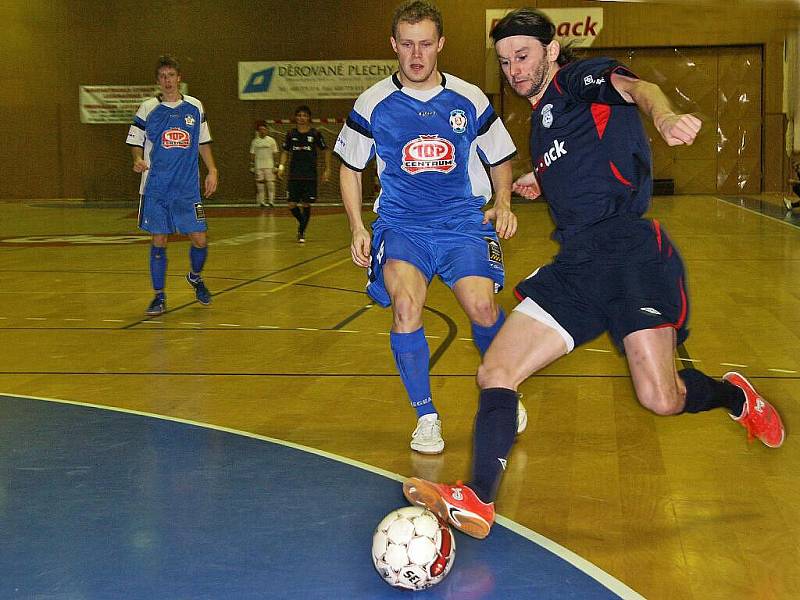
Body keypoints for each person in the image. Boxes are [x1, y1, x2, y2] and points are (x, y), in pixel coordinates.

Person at [403, 7, 785, 538]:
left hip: (631, 255)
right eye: (505, 60)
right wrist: (538, 178)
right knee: (496, 371)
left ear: (551, 52)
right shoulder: (540, 122)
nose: (514, 69)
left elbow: (639, 88)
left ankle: (735, 397)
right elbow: (579, 157)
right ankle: (479, 500)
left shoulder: (580, 81)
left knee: (661, 397)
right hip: (578, 265)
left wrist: (666, 116)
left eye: (523, 56)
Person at [335, 0, 527, 455]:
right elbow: (349, 168)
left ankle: (504, 389)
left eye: (425, 44)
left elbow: (500, 156)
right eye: (406, 45)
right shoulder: (373, 103)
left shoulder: (469, 98)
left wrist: (502, 202)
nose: (416, 55)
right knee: (405, 307)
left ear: (440, 44)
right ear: (394, 46)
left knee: (482, 307)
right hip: (403, 226)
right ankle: (425, 416)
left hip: (462, 222)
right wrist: (358, 227)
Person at [126, 55, 218, 316]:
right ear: (157, 81)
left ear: (179, 78)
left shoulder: (195, 107)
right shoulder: (147, 109)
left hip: (188, 188)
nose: (167, 80)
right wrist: (137, 159)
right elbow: (135, 142)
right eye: (162, 76)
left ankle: (195, 277)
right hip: (156, 187)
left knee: (200, 239)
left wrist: (212, 169)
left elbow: (203, 142)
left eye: (171, 75)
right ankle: (159, 296)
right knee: (159, 240)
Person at [277, 105, 331, 242]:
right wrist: (281, 166)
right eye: (299, 115)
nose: (302, 118)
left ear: (309, 118)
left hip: (309, 175)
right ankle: (302, 223)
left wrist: (327, 169)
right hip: (294, 175)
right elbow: (285, 151)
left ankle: (301, 232)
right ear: (296, 117)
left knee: (306, 204)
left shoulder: (315, 134)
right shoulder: (291, 134)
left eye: (305, 115)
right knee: (291, 204)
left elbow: (326, 150)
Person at [250, 120, 279, 207]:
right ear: (258, 131)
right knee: (260, 185)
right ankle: (261, 202)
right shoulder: (255, 141)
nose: (262, 131)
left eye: (264, 129)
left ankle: (271, 201)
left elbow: (275, 153)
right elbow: (252, 154)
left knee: (270, 184)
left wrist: (276, 165)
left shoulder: (271, 141)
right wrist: (252, 165)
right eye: (260, 130)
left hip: (269, 166)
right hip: (259, 166)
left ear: (266, 130)